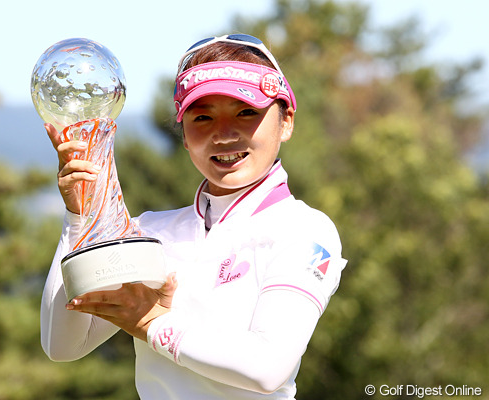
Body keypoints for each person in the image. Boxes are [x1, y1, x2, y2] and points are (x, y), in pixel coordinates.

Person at [41, 33, 347, 399]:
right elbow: (63, 345)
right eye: (202, 117)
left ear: (286, 121)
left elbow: (269, 368)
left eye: (246, 112)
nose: (223, 134)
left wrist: (153, 324)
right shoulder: (149, 232)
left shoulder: (304, 230)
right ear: (184, 136)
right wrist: (79, 217)